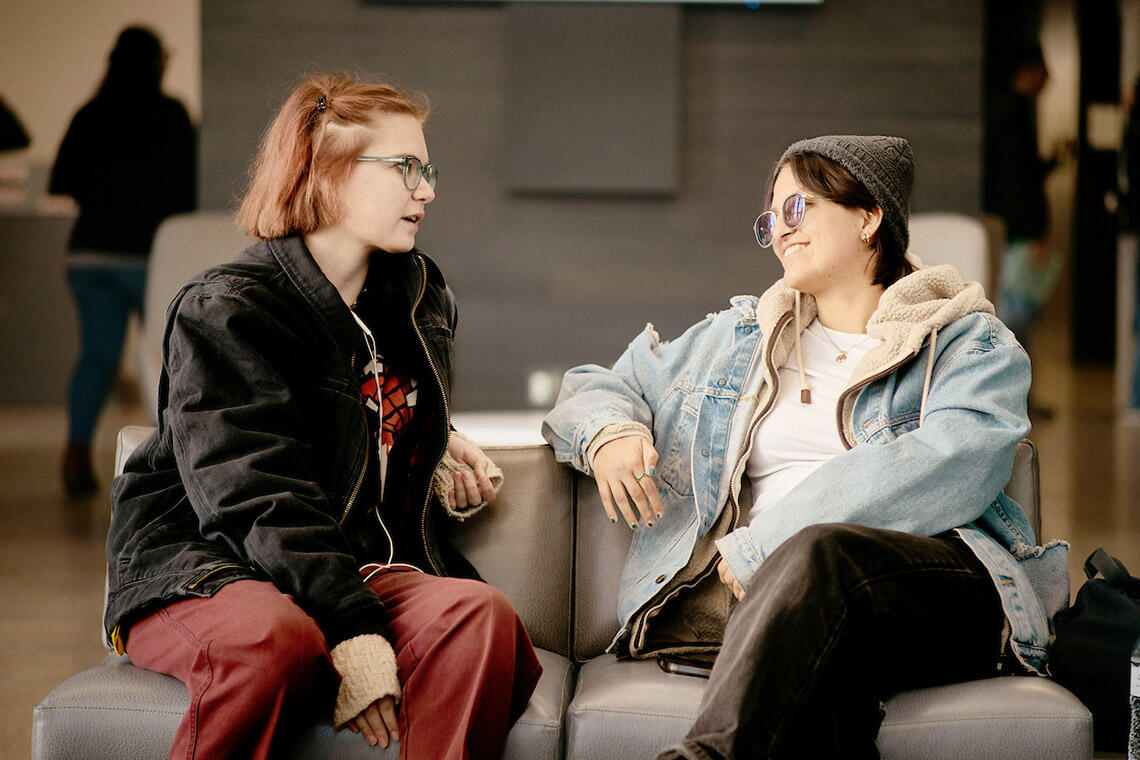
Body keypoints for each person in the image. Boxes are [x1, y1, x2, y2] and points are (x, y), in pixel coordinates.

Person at [543, 135, 1069, 759]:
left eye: (799, 209)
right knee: (828, 675)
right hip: (776, 607)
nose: (780, 232)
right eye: (771, 220)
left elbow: (957, 460)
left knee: (823, 552)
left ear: (870, 217)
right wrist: (610, 433)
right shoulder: (738, 338)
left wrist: (771, 541)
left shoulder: (965, 342)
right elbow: (590, 384)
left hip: (929, 588)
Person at [104, 73, 541, 759]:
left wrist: (434, 440)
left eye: (426, 170)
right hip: (210, 567)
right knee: (275, 641)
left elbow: (354, 409)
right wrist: (354, 630)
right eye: (406, 168)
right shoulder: (227, 309)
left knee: (480, 615)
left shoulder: (417, 296)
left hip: (345, 563)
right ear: (328, 174)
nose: (427, 189)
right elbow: (255, 492)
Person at [49, 26, 196, 496]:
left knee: (97, 358)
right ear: (157, 62)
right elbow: (186, 188)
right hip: (147, 255)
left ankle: (75, 455)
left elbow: (59, 181)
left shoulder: (90, 114)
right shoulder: (170, 115)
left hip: (89, 255)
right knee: (169, 357)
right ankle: (177, 465)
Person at [984, 42, 1065, 416]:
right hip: (1019, 235)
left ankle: (1017, 401)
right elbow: (1017, 183)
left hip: (1017, 232)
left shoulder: (1011, 114)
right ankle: (1013, 402)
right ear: (1030, 70)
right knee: (1016, 322)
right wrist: (1031, 232)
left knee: (1018, 319)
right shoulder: (1012, 117)